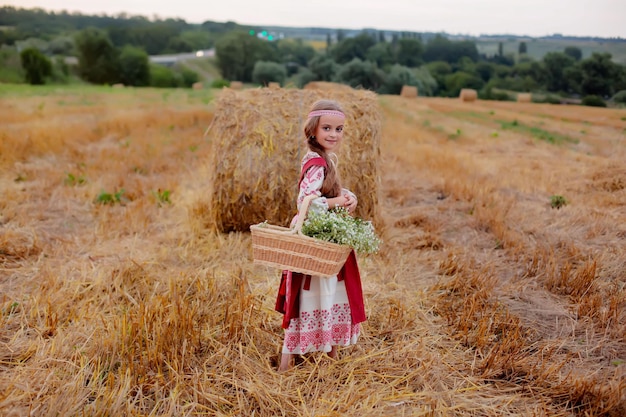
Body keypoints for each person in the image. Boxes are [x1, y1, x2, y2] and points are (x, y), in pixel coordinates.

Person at [274, 99, 367, 372]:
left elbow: (328, 191)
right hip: (315, 235)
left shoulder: (324, 159)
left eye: (339, 129)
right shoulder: (316, 163)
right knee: (314, 293)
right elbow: (308, 201)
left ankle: (328, 356)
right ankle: (287, 363)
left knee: (331, 292)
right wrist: (339, 201)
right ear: (313, 129)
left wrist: (348, 195)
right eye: (327, 128)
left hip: (325, 233)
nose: (333, 134)